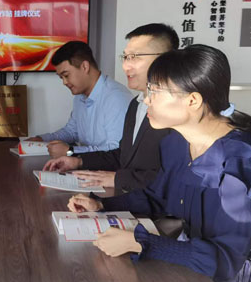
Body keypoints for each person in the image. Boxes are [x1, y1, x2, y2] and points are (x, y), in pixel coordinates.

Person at [67, 45, 251, 282]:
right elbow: (157, 195)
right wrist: (102, 205)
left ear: (193, 100)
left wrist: (140, 242)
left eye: (155, 91)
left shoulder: (240, 161)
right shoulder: (178, 143)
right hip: (187, 275)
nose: (146, 99)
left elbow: (224, 260)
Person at [43, 24, 178, 192]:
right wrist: (78, 161)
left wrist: (117, 179)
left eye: (135, 57)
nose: (126, 66)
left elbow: (170, 177)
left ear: (164, 59)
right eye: (125, 57)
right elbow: (122, 155)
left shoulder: (177, 111)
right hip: (130, 196)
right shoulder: (136, 104)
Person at [27, 41, 132, 158]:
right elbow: (72, 132)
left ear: (85, 67)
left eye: (66, 75)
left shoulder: (116, 98)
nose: (64, 82)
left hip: (108, 168)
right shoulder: (80, 96)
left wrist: (70, 151)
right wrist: (42, 139)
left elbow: (115, 151)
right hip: (87, 165)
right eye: (61, 77)